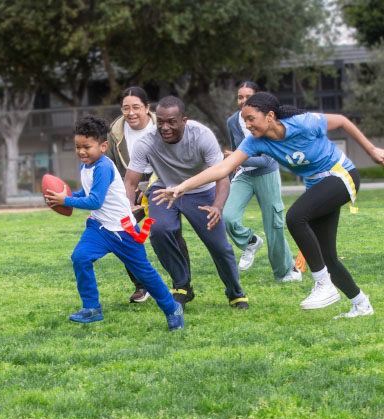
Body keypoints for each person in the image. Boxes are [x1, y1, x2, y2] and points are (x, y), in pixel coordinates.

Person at [154, 91, 384, 318]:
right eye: (244, 120)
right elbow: (222, 169)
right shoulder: (254, 142)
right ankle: (361, 304)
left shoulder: (301, 123)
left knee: (296, 218)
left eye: (251, 118)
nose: (248, 125)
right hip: (317, 184)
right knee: (328, 256)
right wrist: (182, 187)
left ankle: (323, 284)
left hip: (341, 174)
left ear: (270, 116)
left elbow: (342, 121)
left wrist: (371, 149)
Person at [44, 115, 184, 331]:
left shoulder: (104, 167)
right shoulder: (86, 166)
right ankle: (92, 308)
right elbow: (88, 192)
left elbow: (95, 200)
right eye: (77, 146)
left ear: (103, 146)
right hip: (99, 227)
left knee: (144, 274)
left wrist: (66, 201)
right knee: (80, 257)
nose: (81, 151)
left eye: (87, 147)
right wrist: (68, 195)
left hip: (124, 231)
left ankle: (171, 308)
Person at [124, 95, 248, 310]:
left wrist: (217, 206)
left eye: (171, 121)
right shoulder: (146, 142)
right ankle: (182, 286)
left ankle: (235, 292)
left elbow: (222, 176)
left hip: (202, 191)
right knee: (160, 231)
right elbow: (130, 181)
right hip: (164, 190)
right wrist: (129, 206)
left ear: (184, 120)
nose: (165, 127)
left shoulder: (202, 136)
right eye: (160, 121)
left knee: (219, 246)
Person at [106, 86, 191, 304]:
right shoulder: (115, 132)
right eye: (126, 108)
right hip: (130, 188)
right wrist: (123, 197)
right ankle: (140, 285)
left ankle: (182, 286)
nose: (131, 113)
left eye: (136, 107)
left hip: (162, 186)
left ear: (147, 108)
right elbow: (112, 166)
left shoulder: (163, 125)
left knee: (169, 232)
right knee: (125, 234)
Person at [224, 81, 302, 282]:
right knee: (228, 217)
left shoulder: (269, 120)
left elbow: (268, 158)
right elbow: (235, 152)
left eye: (247, 97)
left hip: (267, 172)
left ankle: (285, 272)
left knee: (273, 225)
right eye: (239, 97)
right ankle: (250, 241)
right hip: (244, 174)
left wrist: (237, 157)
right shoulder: (232, 121)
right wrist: (233, 169)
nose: (242, 101)